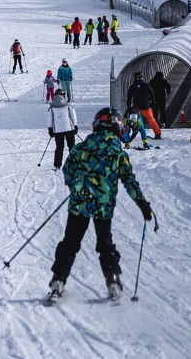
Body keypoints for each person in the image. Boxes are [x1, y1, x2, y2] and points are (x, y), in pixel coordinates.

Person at [47, 107, 153, 304]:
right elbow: (129, 181)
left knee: (70, 242)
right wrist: (142, 204)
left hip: (79, 204)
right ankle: (112, 280)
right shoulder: (117, 152)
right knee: (105, 244)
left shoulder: (82, 147)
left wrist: (74, 185)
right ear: (118, 128)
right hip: (103, 207)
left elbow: (68, 168)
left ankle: (58, 280)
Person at [47, 87, 78, 169]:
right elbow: (73, 116)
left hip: (58, 130)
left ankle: (57, 165)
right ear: (63, 96)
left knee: (59, 147)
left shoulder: (52, 106)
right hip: (69, 128)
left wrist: (50, 129)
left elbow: (50, 118)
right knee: (71, 146)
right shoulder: (68, 105)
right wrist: (75, 126)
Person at [125, 71, 162, 139]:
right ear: (142, 77)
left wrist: (129, 105)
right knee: (151, 120)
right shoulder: (145, 85)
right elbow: (151, 93)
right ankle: (157, 133)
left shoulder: (132, 86)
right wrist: (152, 103)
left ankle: (130, 134)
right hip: (146, 106)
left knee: (133, 120)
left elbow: (129, 97)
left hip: (136, 108)